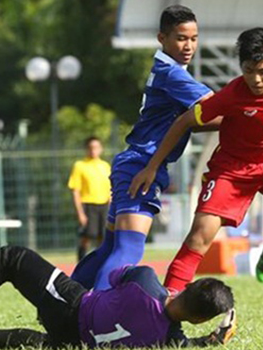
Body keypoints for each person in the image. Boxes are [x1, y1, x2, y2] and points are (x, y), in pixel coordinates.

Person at [130, 28, 263, 331]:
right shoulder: (231, 95)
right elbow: (184, 121)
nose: (255, 80)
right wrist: (153, 166)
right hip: (233, 170)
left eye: (262, 72)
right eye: (247, 71)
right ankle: (164, 311)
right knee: (200, 236)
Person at [70, 5, 214, 291]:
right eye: (181, 38)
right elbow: (215, 110)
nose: (189, 46)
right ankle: (93, 316)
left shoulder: (167, 69)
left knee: (110, 248)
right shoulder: (173, 74)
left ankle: (61, 301)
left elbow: (196, 121)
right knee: (128, 251)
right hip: (142, 167)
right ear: (162, 38)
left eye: (194, 38)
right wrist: (256, 109)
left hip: (132, 163)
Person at [0, 246, 236, 349]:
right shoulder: (168, 340)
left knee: (11, 259)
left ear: (189, 285)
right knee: (46, 345)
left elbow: (113, 277)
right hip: (80, 341)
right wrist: (213, 339)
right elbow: (187, 343)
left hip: (73, 306)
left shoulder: (147, 281)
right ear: (199, 319)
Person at [68, 136, 111, 261]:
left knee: (103, 237)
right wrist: (80, 213)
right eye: (91, 148)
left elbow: (110, 188)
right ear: (86, 149)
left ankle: (100, 264)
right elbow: (75, 190)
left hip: (104, 206)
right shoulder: (80, 166)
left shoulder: (105, 166)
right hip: (88, 205)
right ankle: (80, 263)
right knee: (87, 236)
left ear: (101, 149)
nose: (94, 150)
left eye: (96, 147)